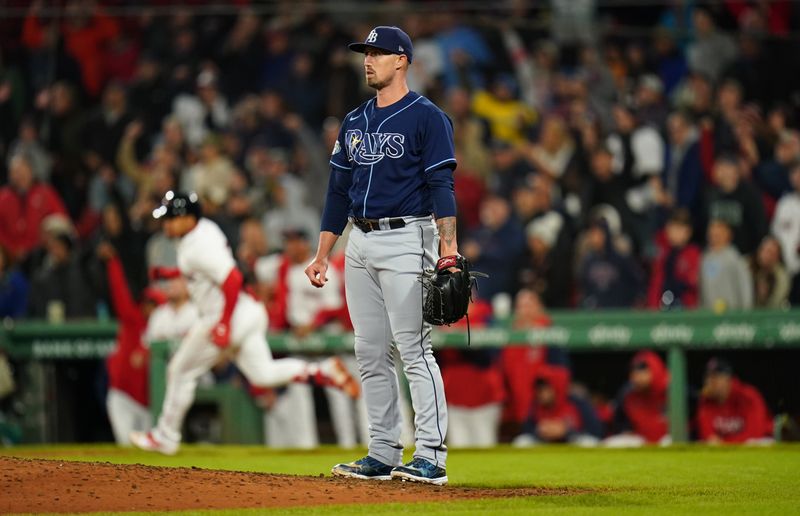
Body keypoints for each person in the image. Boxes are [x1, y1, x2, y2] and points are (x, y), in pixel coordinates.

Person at [305, 26, 455, 485]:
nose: (368, 60)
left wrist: (448, 247)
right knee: (369, 351)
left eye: (379, 52)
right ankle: (383, 450)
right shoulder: (353, 121)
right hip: (360, 242)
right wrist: (322, 253)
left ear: (402, 61)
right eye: (365, 53)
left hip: (408, 237)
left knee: (413, 349)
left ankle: (430, 454)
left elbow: (441, 186)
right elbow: (337, 193)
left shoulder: (427, 117)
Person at [130, 191, 359, 455]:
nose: (165, 224)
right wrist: (172, 273)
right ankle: (322, 371)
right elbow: (208, 270)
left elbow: (231, 279)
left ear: (186, 218)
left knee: (180, 370)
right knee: (263, 374)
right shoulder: (204, 229)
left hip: (226, 316)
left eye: (170, 218)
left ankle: (165, 436)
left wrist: (224, 324)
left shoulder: (195, 246)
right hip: (247, 313)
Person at [97, 241, 164, 446]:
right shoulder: (132, 319)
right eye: (148, 303)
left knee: (148, 455)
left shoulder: (165, 329)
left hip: (148, 401)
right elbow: (119, 290)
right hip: (123, 396)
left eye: (155, 304)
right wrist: (113, 263)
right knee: (126, 446)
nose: (149, 308)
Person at [696, 358, 773, 444]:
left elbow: (756, 433)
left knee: (755, 442)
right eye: (707, 377)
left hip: (755, 447)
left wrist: (725, 444)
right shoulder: (706, 400)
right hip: (727, 448)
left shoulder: (748, 396)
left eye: (715, 377)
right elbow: (708, 435)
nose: (709, 382)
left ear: (728, 379)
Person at [605, 350, 670, 447]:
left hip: (669, 441)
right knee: (610, 444)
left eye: (642, 372)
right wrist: (626, 432)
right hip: (642, 442)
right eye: (634, 373)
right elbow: (621, 425)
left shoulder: (673, 390)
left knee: (669, 440)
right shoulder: (628, 394)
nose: (636, 377)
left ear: (655, 369)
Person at [648, 208, 701, 310]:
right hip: (660, 308)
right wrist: (653, 306)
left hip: (686, 310)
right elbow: (656, 282)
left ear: (688, 232)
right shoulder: (661, 251)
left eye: (680, 229)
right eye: (672, 228)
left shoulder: (693, 254)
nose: (675, 233)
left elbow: (693, 283)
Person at [701, 219, 753, 311]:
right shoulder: (705, 258)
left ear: (728, 234)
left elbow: (744, 288)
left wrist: (746, 312)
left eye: (719, 229)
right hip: (708, 314)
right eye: (712, 229)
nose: (714, 232)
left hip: (732, 314)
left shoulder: (735, 258)